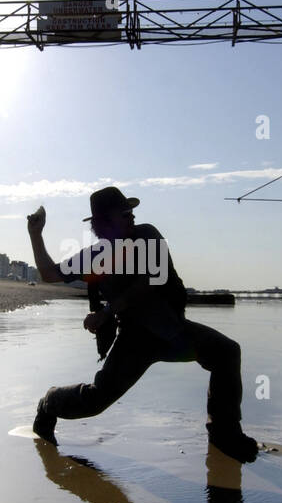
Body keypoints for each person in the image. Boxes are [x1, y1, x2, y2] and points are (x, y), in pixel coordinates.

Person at [27, 186, 260, 462]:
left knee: (227, 352)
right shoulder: (96, 256)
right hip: (135, 341)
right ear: (103, 224)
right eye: (124, 214)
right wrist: (36, 234)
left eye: (131, 212)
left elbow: (150, 280)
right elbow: (50, 274)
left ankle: (224, 433)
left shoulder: (147, 234)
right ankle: (49, 403)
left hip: (172, 332)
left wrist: (105, 312)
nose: (132, 217)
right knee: (96, 400)